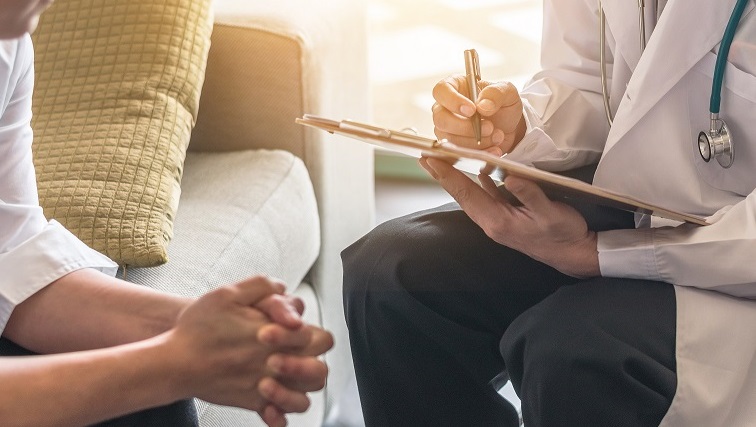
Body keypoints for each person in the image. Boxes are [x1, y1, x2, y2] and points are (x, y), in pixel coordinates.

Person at [343, 1, 756, 426]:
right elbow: (596, 82)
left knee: (575, 354)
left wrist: (597, 253)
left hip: (738, 268)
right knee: (392, 275)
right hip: (648, 203)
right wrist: (519, 125)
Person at [0, 1, 333, 426]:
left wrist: (199, 326)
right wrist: (167, 364)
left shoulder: (8, 43)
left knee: (150, 402)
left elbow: (11, 248)